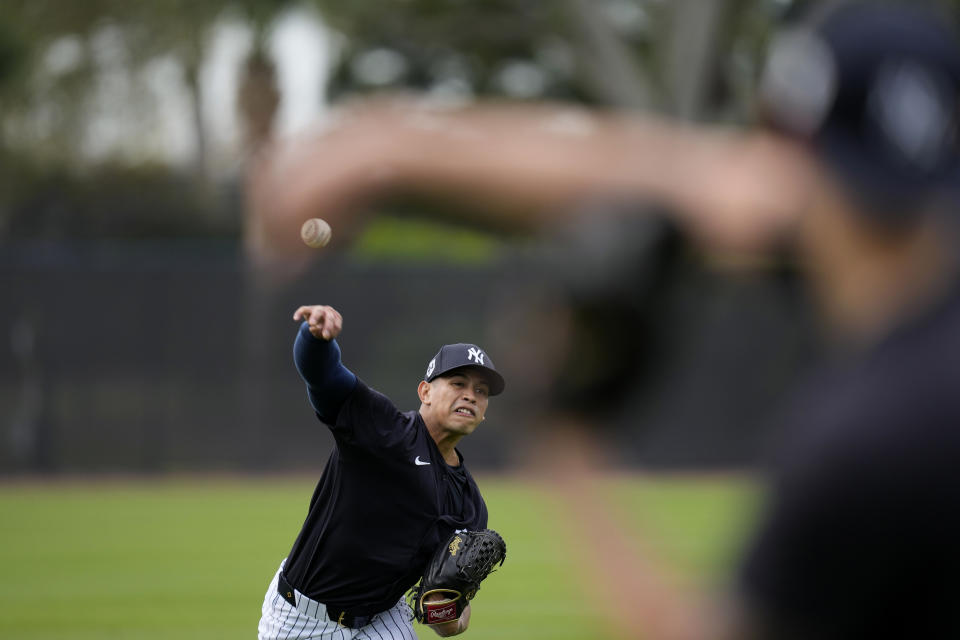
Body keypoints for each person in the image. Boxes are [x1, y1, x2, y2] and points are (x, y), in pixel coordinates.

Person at [254, 2, 960, 637]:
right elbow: (689, 182)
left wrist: (570, 445)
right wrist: (397, 149)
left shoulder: (868, 447)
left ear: (792, 160)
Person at [257, 304, 506, 639]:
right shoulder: (383, 430)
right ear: (425, 392)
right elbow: (323, 375)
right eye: (458, 382)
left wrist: (452, 611)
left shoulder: (469, 506)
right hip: (303, 617)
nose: (470, 396)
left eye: (481, 391)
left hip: (383, 618)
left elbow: (444, 622)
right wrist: (315, 338)